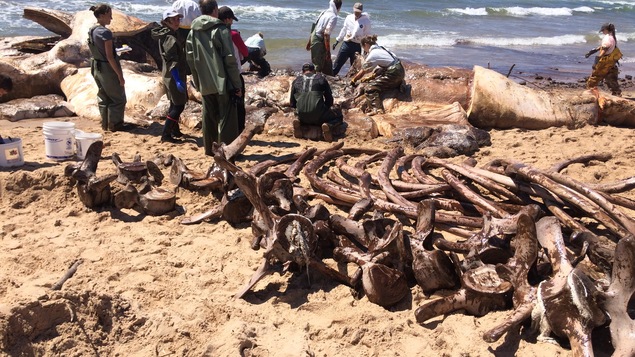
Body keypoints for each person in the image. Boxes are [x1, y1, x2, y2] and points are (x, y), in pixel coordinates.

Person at [186, 0, 242, 155]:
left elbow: (191, 60)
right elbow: (229, 59)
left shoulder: (193, 32)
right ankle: (226, 151)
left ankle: (209, 150)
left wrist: (197, 82)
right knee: (227, 117)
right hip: (222, 80)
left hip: (204, 81)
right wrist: (237, 84)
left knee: (209, 116)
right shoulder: (221, 29)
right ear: (215, 10)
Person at [87, 3, 127, 132]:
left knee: (103, 96)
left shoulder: (92, 30)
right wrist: (120, 76)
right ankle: (115, 124)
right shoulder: (105, 33)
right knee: (118, 98)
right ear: (103, 15)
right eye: (110, 16)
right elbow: (110, 57)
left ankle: (105, 124)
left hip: (96, 66)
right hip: (106, 68)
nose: (111, 18)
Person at [151, 10, 188, 143]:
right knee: (179, 106)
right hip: (173, 74)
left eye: (178, 18)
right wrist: (178, 79)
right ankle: (166, 134)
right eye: (175, 19)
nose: (178, 21)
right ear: (167, 21)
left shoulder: (167, 34)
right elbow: (172, 60)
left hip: (168, 73)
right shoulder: (170, 38)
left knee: (174, 103)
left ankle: (174, 130)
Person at [350, 35, 405, 116]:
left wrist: (354, 80)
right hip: (400, 70)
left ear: (365, 44)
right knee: (378, 77)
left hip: (393, 73)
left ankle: (377, 109)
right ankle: (397, 84)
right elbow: (385, 65)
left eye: (363, 47)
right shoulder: (382, 48)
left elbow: (363, 71)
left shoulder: (373, 54)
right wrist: (372, 76)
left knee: (370, 88)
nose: (364, 50)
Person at [290, 63, 343, 142]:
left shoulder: (296, 81)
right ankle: (328, 125)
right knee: (339, 116)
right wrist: (325, 109)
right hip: (319, 117)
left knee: (300, 114)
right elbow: (329, 100)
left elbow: (292, 104)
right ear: (314, 70)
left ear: (302, 71)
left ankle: (300, 123)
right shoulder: (321, 79)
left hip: (302, 116)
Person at [218, 6, 248, 133]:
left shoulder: (213, 33)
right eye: (231, 20)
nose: (232, 22)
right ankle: (239, 130)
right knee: (239, 104)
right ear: (227, 19)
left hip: (219, 74)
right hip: (234, 73)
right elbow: (245, 52)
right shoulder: (234, 35)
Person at [332, 2, 371, 76]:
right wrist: (337, 41)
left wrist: (366, 49)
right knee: (337, 64)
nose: (357, 13)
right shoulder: (348, 17)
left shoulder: (366, 21)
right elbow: (344, 30)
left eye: (358, 12)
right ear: (353, 9)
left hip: (357, 46)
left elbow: (367, 35)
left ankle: (351, 82)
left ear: (361, 11)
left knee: (354, 68)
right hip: (346, 44)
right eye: (355, 11)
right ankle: (331, 76)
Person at [586, 23, 622, 97]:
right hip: (611, 61)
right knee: (611, 77)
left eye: (603, 30)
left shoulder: (607, 38)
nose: (602, 32)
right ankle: (617, 93)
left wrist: (596, 62)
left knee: (594, 78)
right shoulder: (612, 37)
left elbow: (604, 51)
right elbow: (605, 47)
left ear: (606, 30)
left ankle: (590, 93)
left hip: (605, 61)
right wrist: (594, 50)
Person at [306, 0, 342, 76]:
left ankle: (328, 80)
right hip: (318, 41)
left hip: (314, 37)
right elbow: (326, 34)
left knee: (327, 64)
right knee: (317, 65)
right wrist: (328, 51)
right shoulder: (333, 17)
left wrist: (309, 42)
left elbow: (315, 27)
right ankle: (314, 83)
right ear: (339, 8)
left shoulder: (324, 12)